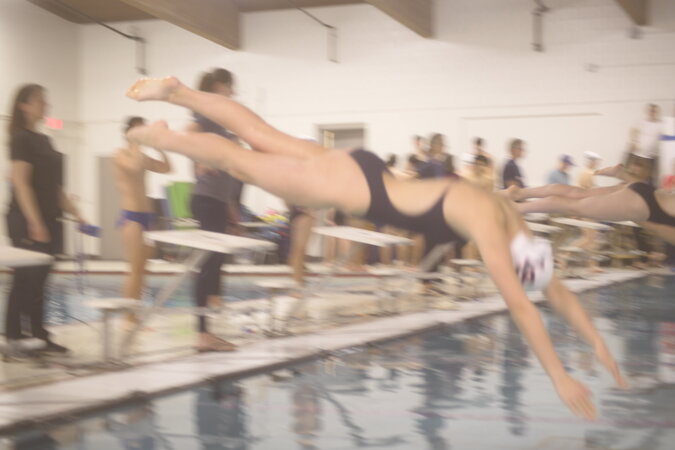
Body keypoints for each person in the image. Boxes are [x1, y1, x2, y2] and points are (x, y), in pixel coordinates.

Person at [125, 76, 629, 419]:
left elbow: (553, 290)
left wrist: (598, 342)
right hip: (355, 189)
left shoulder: (504, 214)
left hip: (363, 168)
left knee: (258, 134)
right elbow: (523, 304)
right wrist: (559, 376)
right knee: (240, 161)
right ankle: (159, 137)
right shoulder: (495, 226)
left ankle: (178, 92)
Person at [5, 84, 87, 354]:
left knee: (41, 281)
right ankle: (14, 336)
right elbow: (21, 183)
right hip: (27, 219)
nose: (46, 105)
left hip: (50, 218)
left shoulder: (44, 140)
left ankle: (39, 334)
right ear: (24, 106)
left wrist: (76, 213)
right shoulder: (21, 139)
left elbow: (55, 188)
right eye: (40, 100)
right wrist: (35, 221)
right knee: (25, 278)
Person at [186, 68, 242, 352]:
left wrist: (231, 208)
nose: (233, 93)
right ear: (220, 86)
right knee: (207, 267)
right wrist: (199, 159)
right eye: (231, 87)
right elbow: (188, 132)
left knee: (215, 265)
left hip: (217, 201)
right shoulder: (207, 112)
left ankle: (207, 329)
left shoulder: (218, 119)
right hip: (207, 200)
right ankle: (203, 334)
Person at [506, 163, 675, 245]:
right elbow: (656, 228)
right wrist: (634, 215)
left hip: (646, 190)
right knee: (572, 206)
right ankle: (517, 208)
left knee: (578, 193)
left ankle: (519, 193)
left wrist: (624, 177)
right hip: (641, 205)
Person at [114, 116, 171, 327]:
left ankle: (135, 315)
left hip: (148, 218)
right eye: (140, 130)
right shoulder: (120, 154)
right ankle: (127, 318)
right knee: (134, 270)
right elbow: (134, 167)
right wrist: (137, 144)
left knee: (143, 271)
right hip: (131, 218)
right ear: (130, 133)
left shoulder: (143, 157)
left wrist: (159, 147)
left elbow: (167, 168)